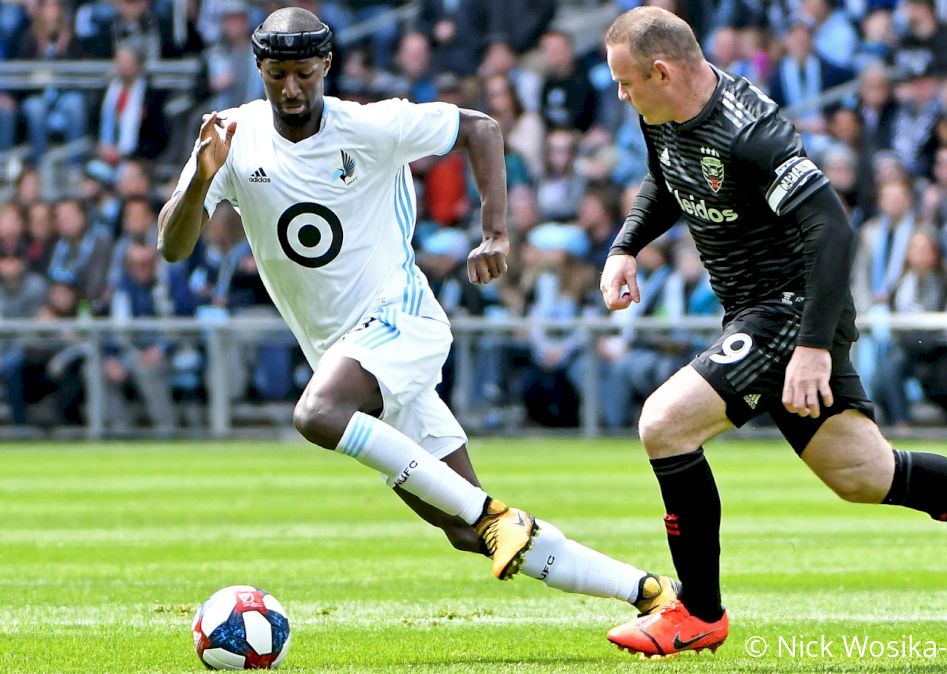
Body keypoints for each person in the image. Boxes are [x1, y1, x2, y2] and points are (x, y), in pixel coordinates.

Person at [599, 7, 947, 657]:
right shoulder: (661, 109)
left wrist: (810, 346)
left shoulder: (752, 129)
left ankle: (699, 611)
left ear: (661, 71)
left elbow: (832, 226)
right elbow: (669, 176)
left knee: (663, 424)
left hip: (790, 310)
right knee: (863, 474)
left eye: (626, 82)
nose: (620, 94)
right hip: (757, 314)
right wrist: (626, 244)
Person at [157, 6, 678, 624]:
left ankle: (495, 518)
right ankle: (650, 592)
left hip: (400, 322)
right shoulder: (231, 138)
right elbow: (172, 245)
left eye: (302, 73)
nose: (291, 89)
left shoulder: (372, 125)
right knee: (464, 527)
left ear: (326, 65)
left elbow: (481, 127)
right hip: (348, 355)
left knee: (319, 414)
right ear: (259, 70)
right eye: (276, 75)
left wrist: (495, 231)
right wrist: (199, 183)